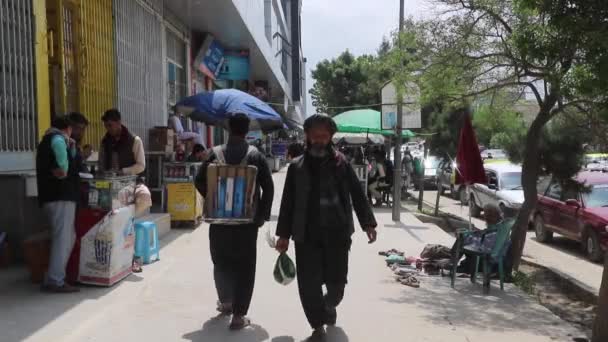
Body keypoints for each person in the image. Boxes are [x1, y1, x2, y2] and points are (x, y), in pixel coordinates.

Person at [275, 114, 377, 339]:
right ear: (308, 137)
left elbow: (358, 195)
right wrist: (283, 234)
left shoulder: (342, 163)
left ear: (330, 137)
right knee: (309, 285)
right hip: (306, 235)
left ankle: (329, 306)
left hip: (337, 234)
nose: (319, 140)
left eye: (324, 136)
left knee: (337, 285)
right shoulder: (296, 167)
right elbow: (287, 203)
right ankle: (317, 326)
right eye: (315, 136)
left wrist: (368, 222)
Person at [195, 113, 274, 330]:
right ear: (247, 130)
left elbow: (199, 180)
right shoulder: (255, 155)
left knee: (221, 262)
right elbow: (268, 187)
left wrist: (214, 198)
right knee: (245, 267)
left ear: (228, 128)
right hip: (246, 224)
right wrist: (261, 216)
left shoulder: (214, 153)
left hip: (219, 220)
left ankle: (226, 301)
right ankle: (239, 315)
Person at [36, 116, 80, 293]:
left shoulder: (46, 141)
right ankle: (55, 280)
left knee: (67, 236)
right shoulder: (58, 140)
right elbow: (63, 169)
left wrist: (72, 148)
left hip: (51, 196)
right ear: (68, 128)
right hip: (61, 196)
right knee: (63, 239)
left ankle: (54, 277)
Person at [454, 203, 512, 274]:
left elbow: (482, 245)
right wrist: (468, 233)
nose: (484, 216)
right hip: (487, 254)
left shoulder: (497, 231)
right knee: (462, 238)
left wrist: (466, 236)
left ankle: (453, 262)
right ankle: (453, 262)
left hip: (490, 261)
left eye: (485, 214)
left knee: (462, 239)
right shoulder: (496, 227)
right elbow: (482, 235)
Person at [98, 109, 145, 176]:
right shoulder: (105, 141)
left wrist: (122, 171)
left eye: (110, 125)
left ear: (119, 123)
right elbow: (101, 164)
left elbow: (141, 166)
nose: (108, 129)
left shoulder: (135, 141)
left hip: (131, 182)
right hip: (110, 182)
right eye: (106, 126)